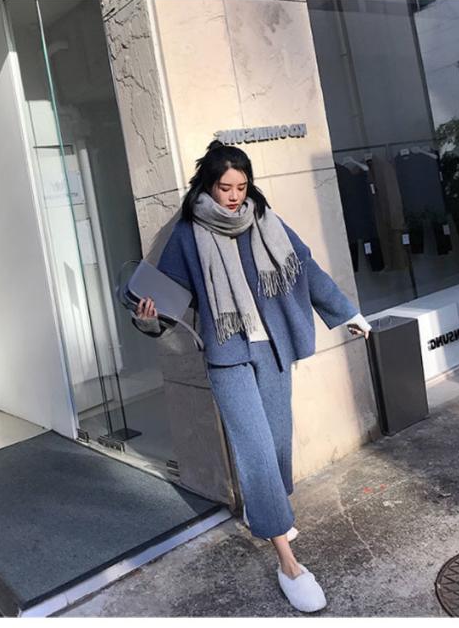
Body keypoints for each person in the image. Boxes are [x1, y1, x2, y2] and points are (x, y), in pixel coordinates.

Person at [131, 140, 371, 613]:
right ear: (208, 186)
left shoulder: (265, 220)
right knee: (257, 452)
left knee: (277, 443)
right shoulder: (188, 234)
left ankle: (269, 509)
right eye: (225, 187)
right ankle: (288, 562)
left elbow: (306, 270)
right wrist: (148, 319)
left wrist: (346, 313)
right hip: (228, 356)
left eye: (241, 187)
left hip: (273, 348)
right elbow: (169, 302)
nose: (234, 196)